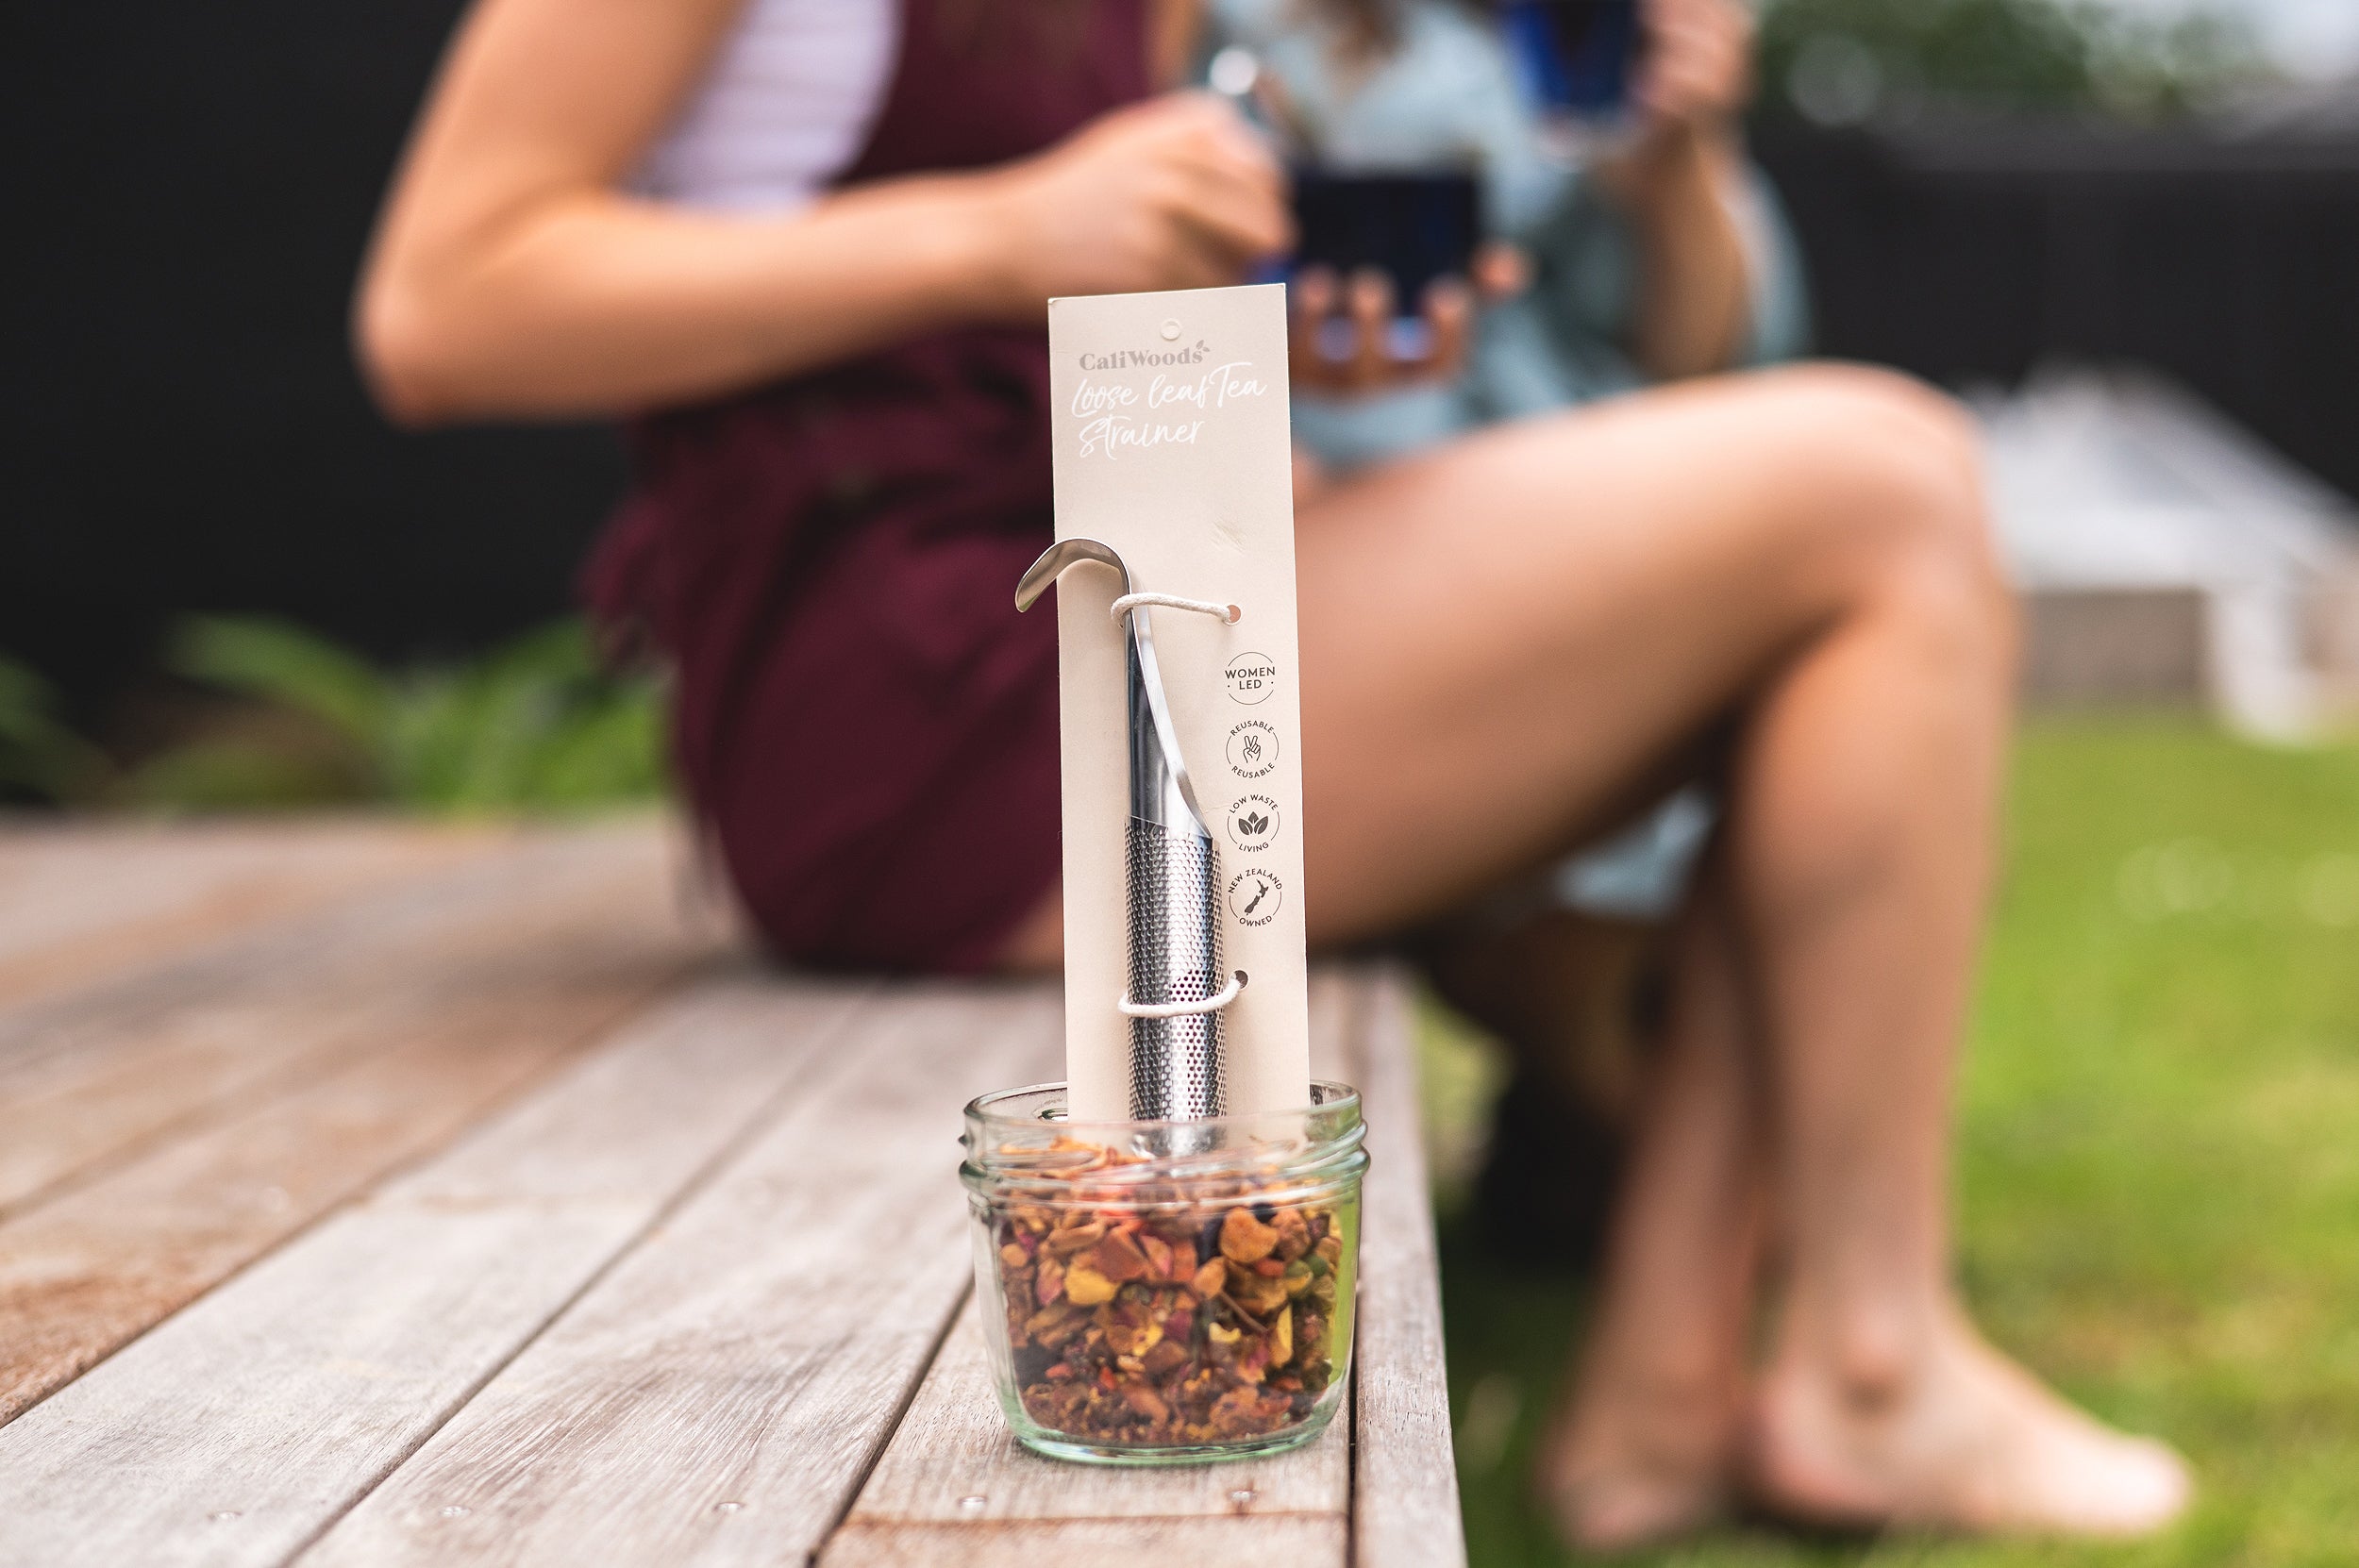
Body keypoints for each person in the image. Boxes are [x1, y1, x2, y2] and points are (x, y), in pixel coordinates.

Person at [356, 0, 2190, 1547]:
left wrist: (1246, 325)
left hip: (1111, 624)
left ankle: (1672, 1397)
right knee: (1878, 481)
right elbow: (444, 299)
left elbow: (1039, 317)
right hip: (931, 712)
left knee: (1826, 565)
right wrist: (1003, 231)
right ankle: (1857, 1354)